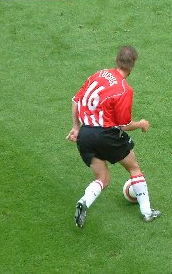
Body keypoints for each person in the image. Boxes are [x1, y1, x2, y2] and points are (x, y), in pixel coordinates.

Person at [66, 46, 161, 228]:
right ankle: (147, 212)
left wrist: (76, 127)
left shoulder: (98, 75)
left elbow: (75, 100)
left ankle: (84, 201)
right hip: (106, 134)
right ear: (132, 65)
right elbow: (124, 125)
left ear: (116, 60)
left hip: (85, 135)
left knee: (102, 178)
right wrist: (141, 123)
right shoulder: (124, 90)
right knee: (134, 168)